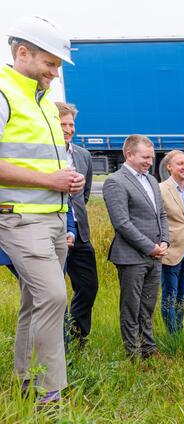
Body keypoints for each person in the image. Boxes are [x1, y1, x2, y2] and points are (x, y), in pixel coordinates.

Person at [0, 16, 85, 404]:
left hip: (53, 218)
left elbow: (41, 162)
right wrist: (49, 181)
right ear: (22, 53)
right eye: (50, 64)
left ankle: (25, 384)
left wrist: (66, 178)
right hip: (19, 217)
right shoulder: (3, 93)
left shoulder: (47, 105)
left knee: (35, 302)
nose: (55, 72)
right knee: (53, 297)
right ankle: (49, 393)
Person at [103, 135, 169, 359]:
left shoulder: (151, 180)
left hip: (156, 255)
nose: (150, 161)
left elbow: (161, 214)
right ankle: (133, 354)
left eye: (152, 157)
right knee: (131, 307)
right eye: (145, 157)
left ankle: (148, 349)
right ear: (129, 154)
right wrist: (149, 247)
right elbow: (122, 223)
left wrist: (164, 242)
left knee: (148, 306)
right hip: (131, 257)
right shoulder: (115, 182)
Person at [56, 102, 99, 348]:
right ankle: (59, 345)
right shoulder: (45, 153)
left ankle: (77, 338)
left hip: (80, 235)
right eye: (63, 124)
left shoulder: (83, 155)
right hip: (52, 233)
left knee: (88, 286)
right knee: (55, 293)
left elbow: (84, 195)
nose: (69, 129)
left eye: (71, 124)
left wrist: (75, 226)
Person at [159, 150, 184, 334]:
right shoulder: (160, 190)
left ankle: (179, 331)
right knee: (169, 296)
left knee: (183, 296)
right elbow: (157, 220)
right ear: (169, 167)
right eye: (180, 164)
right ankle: (172, 335)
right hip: (170, 252)